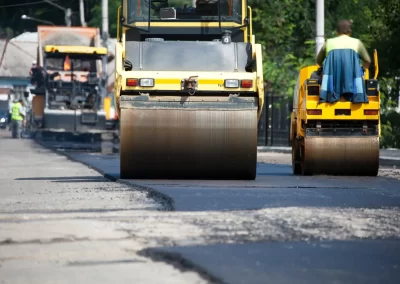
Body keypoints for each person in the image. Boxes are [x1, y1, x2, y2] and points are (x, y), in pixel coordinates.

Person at [316, 20, 371, 103]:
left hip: (331, 89)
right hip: (353, 90)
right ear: (350, 31)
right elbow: (367, 61)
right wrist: (361, 71)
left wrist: (325, 68)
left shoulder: (328, 42)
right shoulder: (357, 43)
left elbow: (318, 61)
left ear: (337, 31)